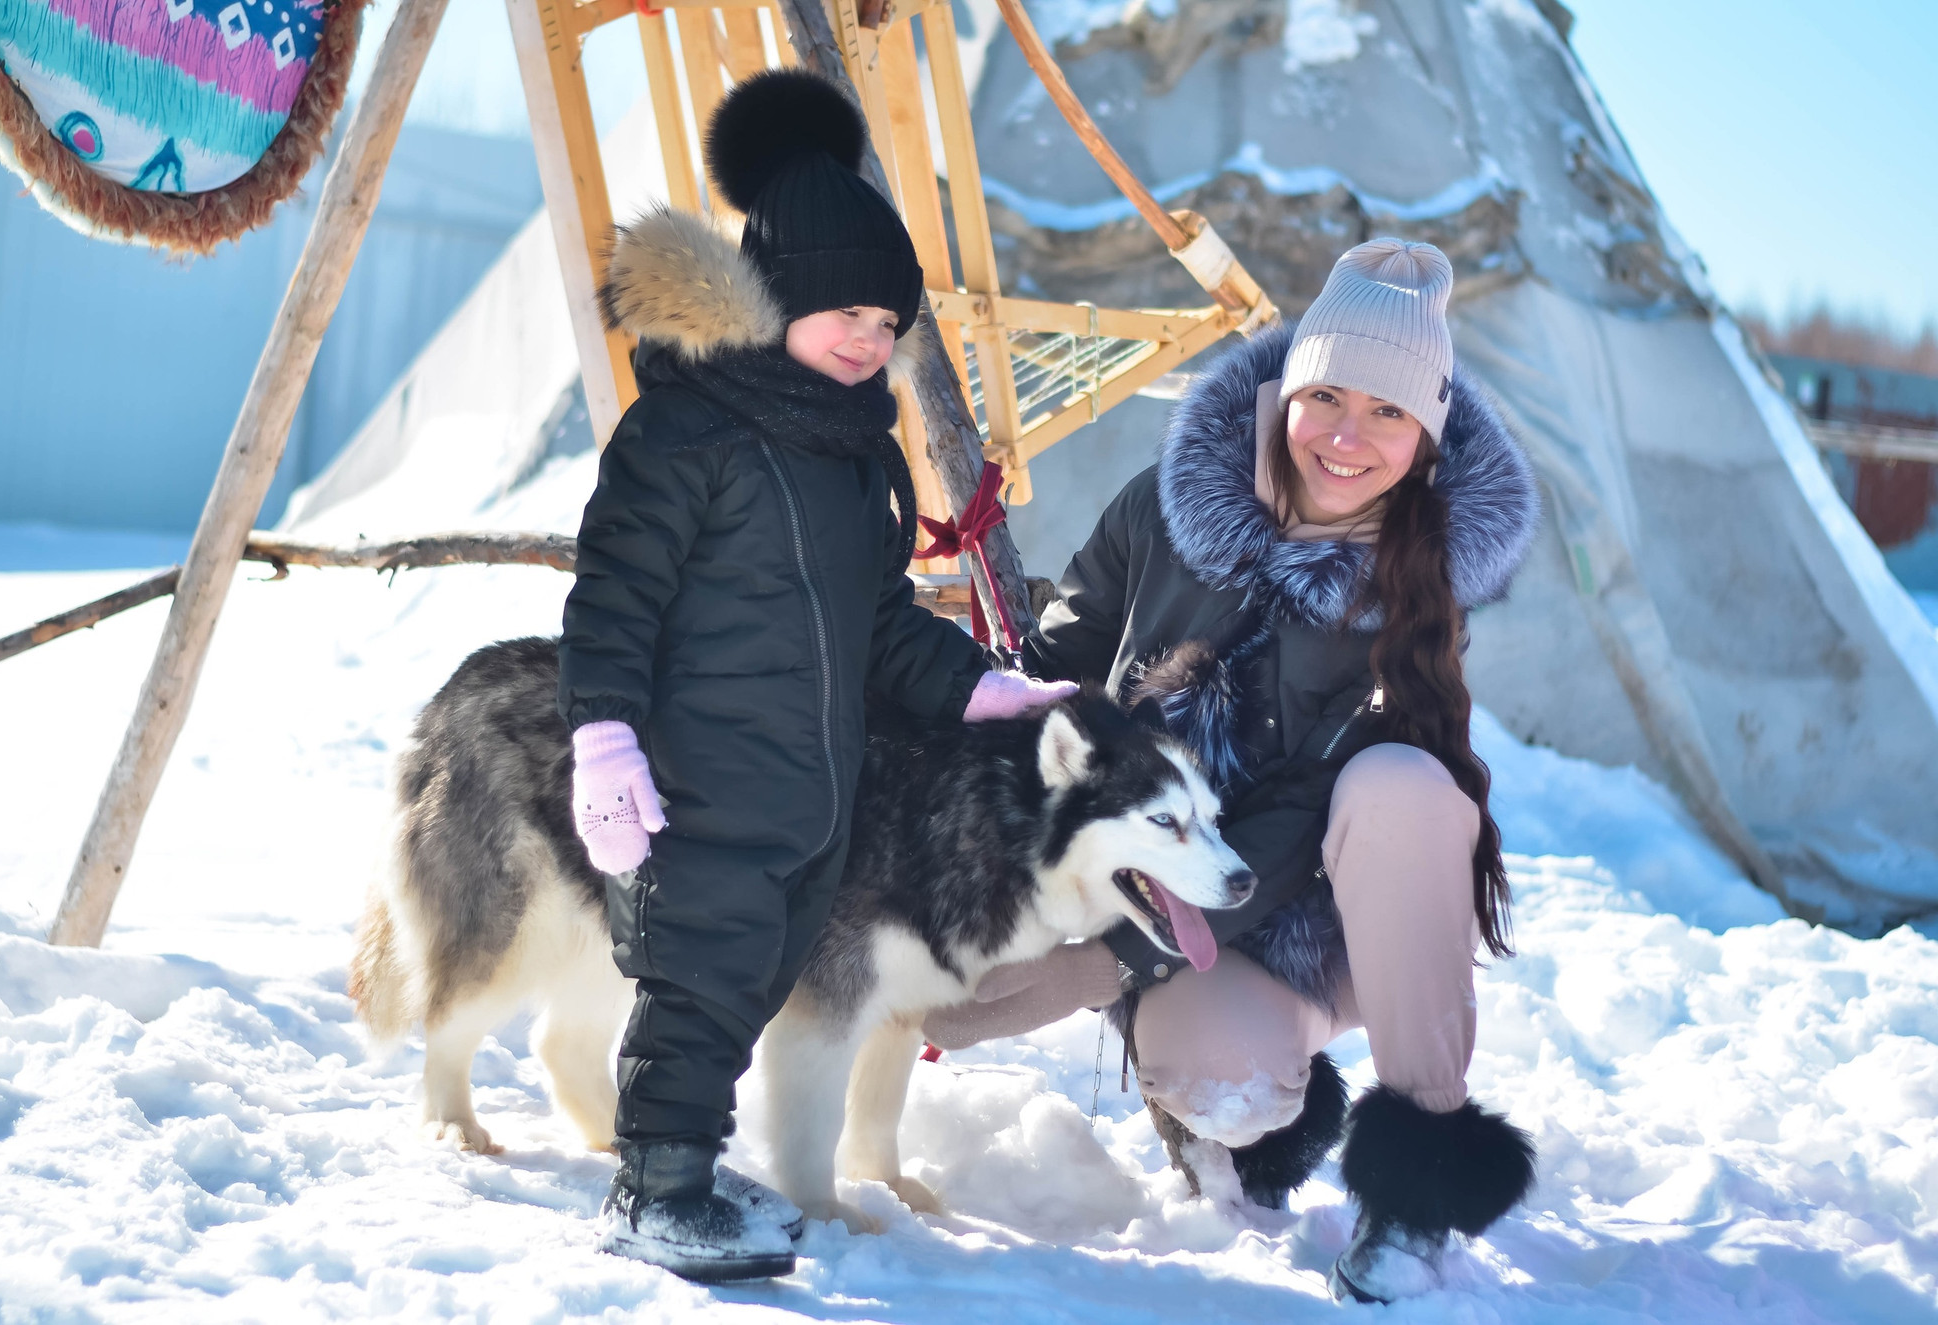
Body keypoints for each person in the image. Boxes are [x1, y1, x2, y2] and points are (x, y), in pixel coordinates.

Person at [923, 239, 1541, 1303]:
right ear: (1285, 388)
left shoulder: (1414, 584)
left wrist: (1107, 959)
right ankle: (1277, 1119)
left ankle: (1414, 1188)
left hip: (1330, 916)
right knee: (1226, 1079)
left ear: (1427, 433)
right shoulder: (1169, 502)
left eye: (1387, 413)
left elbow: (1303, 819)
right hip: (1171, 893)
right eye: (1327, 396)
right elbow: (1060, 669)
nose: (1347, 435)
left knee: (1396, 790)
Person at [559, 70, 1072, 1283]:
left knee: (750, 983)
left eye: (888, 323)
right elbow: (612, 596)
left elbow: (880, 618)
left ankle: (681, 1154)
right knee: (699, 983)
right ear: (776, 291)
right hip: (702, 783)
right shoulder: (685, 431)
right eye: (843, 309)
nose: (866, 336)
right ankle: (656, 1183)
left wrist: (974, 688)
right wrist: (603, 741)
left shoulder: (850, 454)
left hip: (811, 795)